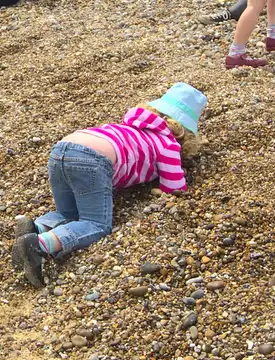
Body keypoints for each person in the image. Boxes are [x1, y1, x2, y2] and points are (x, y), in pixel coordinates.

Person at [10, 84, 205, 288]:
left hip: (61, 149)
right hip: (91, 160)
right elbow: (175, 187)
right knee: (96, 224)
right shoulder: (168, 144)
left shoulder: (129, 126)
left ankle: (36, 227)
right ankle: (39, 245)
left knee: (69, 212)